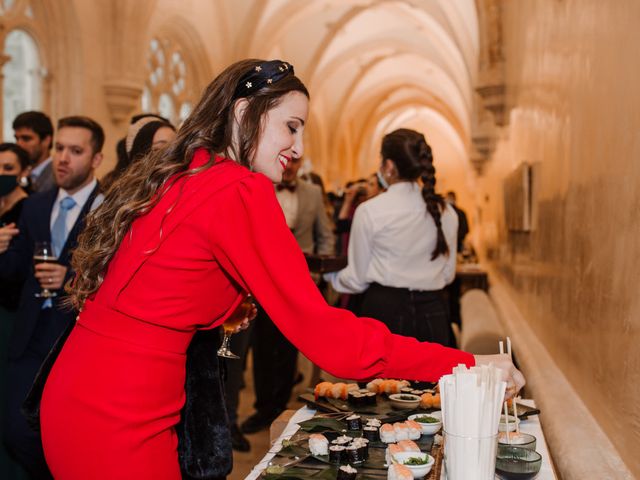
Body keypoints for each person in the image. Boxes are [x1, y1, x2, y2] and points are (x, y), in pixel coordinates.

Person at [39, 59, 524, 479]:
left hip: (81, 392)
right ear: (244, 113)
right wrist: (466, 366)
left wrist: (222, 308)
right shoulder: (240, 190)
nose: (299, 145)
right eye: (291, 126)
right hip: (121, 413)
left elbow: (159, 284)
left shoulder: (190, 172)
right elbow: (331, 341)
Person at [0, 116, 104, 479]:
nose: (63, 158)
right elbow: (13, 273)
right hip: (30, 336)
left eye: (75, 151)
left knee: (67, 435)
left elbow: (117, 279)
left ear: (95, 160)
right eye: (60, 148)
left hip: (76, 340)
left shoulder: (108, 211)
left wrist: (72, 278)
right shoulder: (36, 206)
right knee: (14, 431)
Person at [326, 129, 458, 347]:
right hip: (433, 312)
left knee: (382, 382)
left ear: (388, 166)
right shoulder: (447, 212)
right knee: (432, 380)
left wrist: (330, 276)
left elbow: (357, 279)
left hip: (384, 313)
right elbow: (447, 274)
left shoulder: (369, 211)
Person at [241, 154, 335, 436]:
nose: (290, 166)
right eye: (287, 161)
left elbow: (325, 236)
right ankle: (263, 408)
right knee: (262, 348)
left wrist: (317, 275)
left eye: (296, 162)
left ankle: (280, 406)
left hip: (300, 284)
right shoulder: (259, 188)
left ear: (301, 164)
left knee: (287, 349)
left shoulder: (313, 193)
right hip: (264, 281)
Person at [13, 111, 55, 192]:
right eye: (17, 139)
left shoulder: (57, 176)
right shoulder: (17, 173)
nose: (19, 144)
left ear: (46, 140)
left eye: (26, 138)